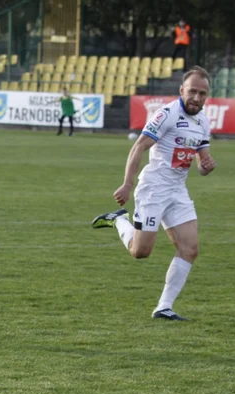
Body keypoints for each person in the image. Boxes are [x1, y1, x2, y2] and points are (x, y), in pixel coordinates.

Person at [90, 66, 215, 321]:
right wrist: (127, 184)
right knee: (140, 252)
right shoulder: (167, 114)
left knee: (190, 249)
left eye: (202, 93)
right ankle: (118, 220)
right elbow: (139, 147)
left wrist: (206, 167)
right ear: (182, 90)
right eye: (192, 92)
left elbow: (202, 164)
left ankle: (164, 306)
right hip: (154, 188)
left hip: (178, 191)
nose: (197, 98)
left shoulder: (202, 121)